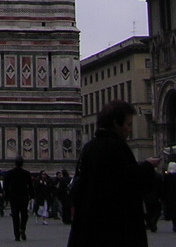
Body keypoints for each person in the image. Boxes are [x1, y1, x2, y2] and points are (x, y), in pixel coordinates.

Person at [67, 100, 160, 247]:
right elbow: (130, 185)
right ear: (116, 123)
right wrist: (148, 166)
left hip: (90, 229)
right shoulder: (117, 147)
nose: (130, 130)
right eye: (128, 124)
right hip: (116, 230)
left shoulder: (89, 148)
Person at [3, 156, 32, 242]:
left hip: (14, 198)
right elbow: (30, 186)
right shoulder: (27, 173)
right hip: (24, 197)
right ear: (22, 163)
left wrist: (7, 196)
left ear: (15, 163)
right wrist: (32, 196)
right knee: (24, 214)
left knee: (15, 216)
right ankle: (22, 228)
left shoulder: (9, 173)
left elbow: (5, 186)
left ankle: (17, 236)